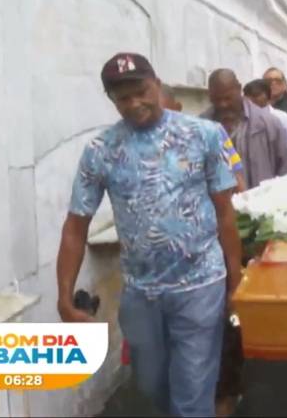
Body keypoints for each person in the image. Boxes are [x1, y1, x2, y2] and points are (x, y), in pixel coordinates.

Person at [57, 53, 243, 417]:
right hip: (141, 293)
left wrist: (236, 282)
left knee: (191, 395)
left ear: (157, 84)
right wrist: (64, 297)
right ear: (112, 101)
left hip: (200, 284)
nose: (135, 103)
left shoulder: (203, 135)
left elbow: (225, 212)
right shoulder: (100, 151)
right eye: (123, 98)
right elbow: (76, 225)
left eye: (141, 91)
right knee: (153, 384)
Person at [202, 69, 287, 189]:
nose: (223, 105)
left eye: (228, 98)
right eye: (217, 100)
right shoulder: (200, 127)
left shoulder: (269, 123)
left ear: (239, 89)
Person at [244, 78, 287, 158]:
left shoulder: (283, 118)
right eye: (248, 97)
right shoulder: (243, 122)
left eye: (256, 95)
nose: (251, 101)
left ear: (268, 96)